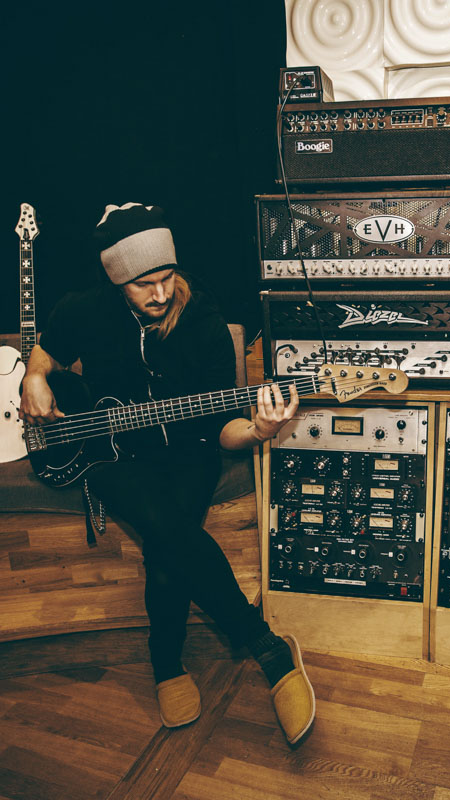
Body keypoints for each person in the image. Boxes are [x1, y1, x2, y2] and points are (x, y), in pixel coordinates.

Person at [19, 202, 315, 746]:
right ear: (116, 281)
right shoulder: (83, 309)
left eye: (167, 277)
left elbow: (224, 428)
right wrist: (34, 380)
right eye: (143, 284)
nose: (159, 293)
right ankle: (268, 648)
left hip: (189, 453)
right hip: (111, 456)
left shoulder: (203, 320)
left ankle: (166, 663)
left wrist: (259, 431)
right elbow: (44, 353)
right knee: (165, 525)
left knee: (165, 538)